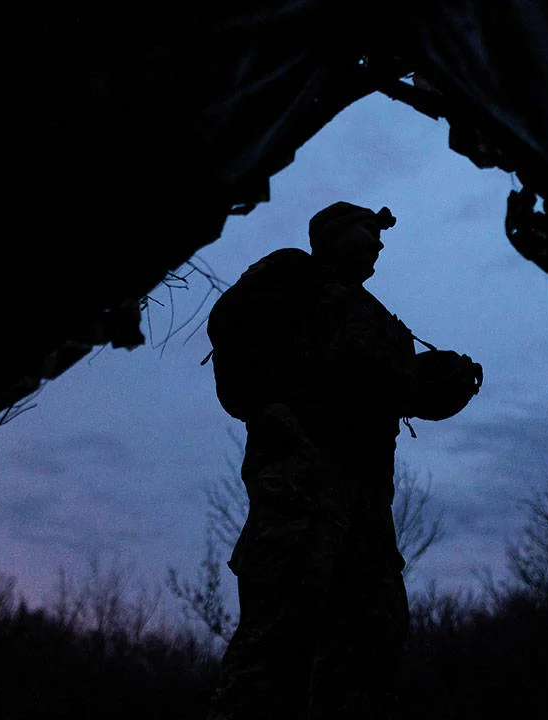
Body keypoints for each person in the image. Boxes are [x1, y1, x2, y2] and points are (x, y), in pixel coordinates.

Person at [204, 201, 482, 720]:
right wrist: (262, 407)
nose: (379, 242)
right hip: (302, 473)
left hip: (368, 494)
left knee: (375, 629)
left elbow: (388, 391)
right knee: (283, 622)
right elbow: (231, 322)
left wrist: (428, 383)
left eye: (381, 235)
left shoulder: (375, 316)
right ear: (332, 231)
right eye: (368, 229)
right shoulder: (293, 272)